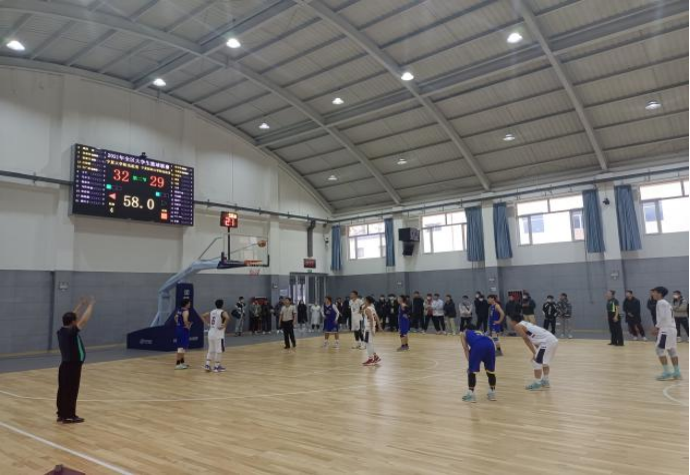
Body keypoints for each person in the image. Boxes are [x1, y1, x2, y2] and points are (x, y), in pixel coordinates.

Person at [56, 297, 95, 424]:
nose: (77, 320)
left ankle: (61, 414)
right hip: (72, 366)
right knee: (72, 390)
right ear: (73, 322)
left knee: (63, 390)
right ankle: (69, 416)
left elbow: (71, 317)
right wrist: (90, 305)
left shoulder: (61, 331)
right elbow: (84, 320)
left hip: (64, 366)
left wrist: (79, 305)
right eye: (75, 320)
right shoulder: (71, 332)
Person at [511, 313, 559, 391]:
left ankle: (537, 383)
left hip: (546, 342)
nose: (510, 323)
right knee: (544, 362)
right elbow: (534, 337)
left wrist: (534, 353)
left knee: (536, 362)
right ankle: (545, 381)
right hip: (552, 340)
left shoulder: (518, 326)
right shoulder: (525, 323)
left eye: (511, 321)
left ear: (513, 321)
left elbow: (526, 340)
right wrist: (536, 351)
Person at [652, 287, 683, 381]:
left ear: (659, 293)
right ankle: (677, 372)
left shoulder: (660, 302)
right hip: (672, 329)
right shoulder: (667, 303)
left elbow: (663, 317)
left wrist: (656, 327)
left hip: (665, 330)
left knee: (659, 350)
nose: (652, 294)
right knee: (672, 350)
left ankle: (667, 372)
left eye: (654, 292)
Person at [460, 325, 497, 403]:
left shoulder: (463, 333)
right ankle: (492, 393)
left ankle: (471, 395)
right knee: (490, 371)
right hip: (490, 344)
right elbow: (491, 338)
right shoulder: (480, 332)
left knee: (472, 371)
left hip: (478, 345)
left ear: (466, 329)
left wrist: (470, 364)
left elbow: (465, 349)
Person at [200, 299, 229, 373]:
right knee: (219, 351)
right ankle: (216, 366)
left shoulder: (212, 311)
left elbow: (202, 316)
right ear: (222, 304)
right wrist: (224, 325)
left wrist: (207, 323)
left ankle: (207, 365)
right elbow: (228, 317)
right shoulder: (222, 312)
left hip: (211, 332)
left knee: (211, 349)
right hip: (218, 334)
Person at [362, 296, 382, 366]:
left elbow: (371, 319)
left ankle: (371, 359)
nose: (363, 301)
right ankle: (375, 357)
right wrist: (379, 326)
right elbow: (376, 317)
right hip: (370, 327)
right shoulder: (372, 308)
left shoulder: (367, 309)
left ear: (367, 301)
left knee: (368, 343)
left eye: (364, 300)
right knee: (369, 343)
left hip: (368, 327)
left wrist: (371, 328)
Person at [175, 298, 192, 369]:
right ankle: (178, 364)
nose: (190, 304)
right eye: (189, 303)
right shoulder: (186, 311)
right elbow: (185, 320)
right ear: (186, 304)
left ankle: (182, 363)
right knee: (181, 348)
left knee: (181, 347)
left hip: (178, 329)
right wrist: (188, 325)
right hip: (183, 330)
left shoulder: (179, 310)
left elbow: (175, 317)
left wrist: (178, 323)